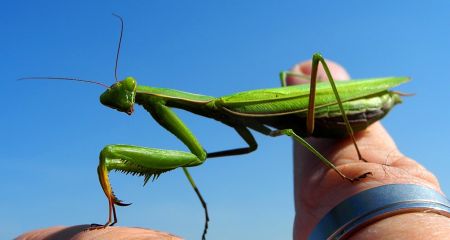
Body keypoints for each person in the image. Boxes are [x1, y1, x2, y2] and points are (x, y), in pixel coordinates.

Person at [16, 60, 450, 240]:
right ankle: (203, 208)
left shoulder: (225, 107)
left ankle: (344, 171)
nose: (127, 104)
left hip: (348, 108)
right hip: (321, 121)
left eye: (128, 97)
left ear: (141, 95)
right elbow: (197, 155)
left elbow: (203, 153)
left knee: (305, 76)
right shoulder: (209, 115)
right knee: (196, 155)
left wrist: (358, 187)